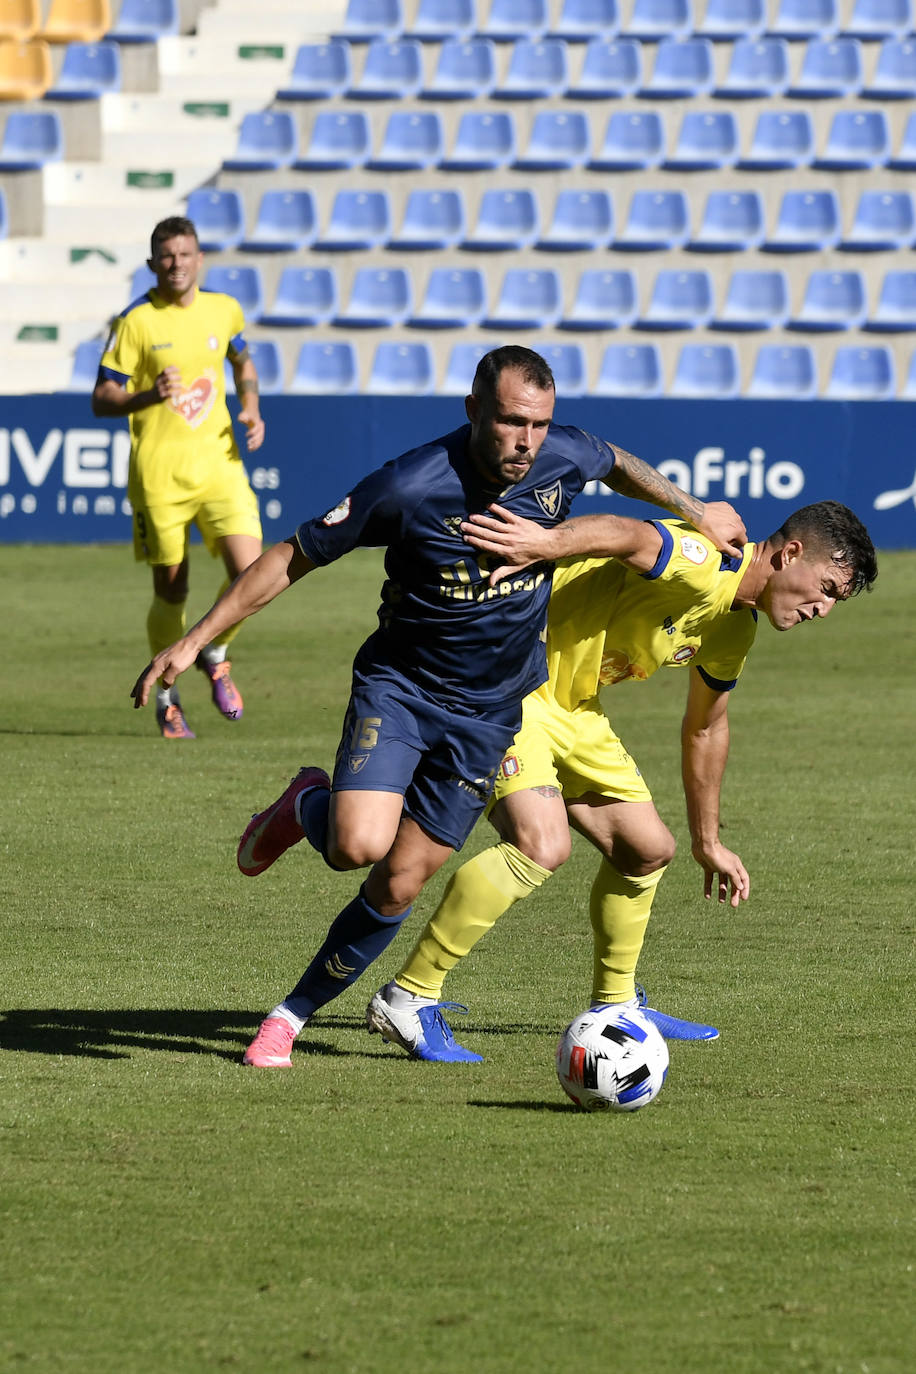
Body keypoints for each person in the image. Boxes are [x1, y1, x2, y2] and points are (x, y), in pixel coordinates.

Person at [129, 345, 747, 1069]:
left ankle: (288, 1017)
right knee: (355, 846)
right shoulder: (411, 484)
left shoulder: (560, 456)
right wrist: (196, 639)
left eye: (540, 424)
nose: (527, 441)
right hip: (403, 689)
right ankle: (307, 805)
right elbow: (293, 557)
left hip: (489, 715)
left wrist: (694, 509)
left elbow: (613, 458)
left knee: (400, 878)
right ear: (474, 411)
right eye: (512, 421)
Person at [366, 499, 878, 1062]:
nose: (824, 609)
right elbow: (625, 534)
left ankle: (616, 1006)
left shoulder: (735, 625)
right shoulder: (704, 559)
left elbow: (706, 728)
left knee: (647, 848)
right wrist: (545, 543)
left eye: (837, 600)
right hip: (509, 685)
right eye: (827, 588)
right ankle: (409, 996)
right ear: (791, 553)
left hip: (575, 708)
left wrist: (708, 841)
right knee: (541, 845)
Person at [93, 215, 266, 740]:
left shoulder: (224, 309)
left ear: (200, 259)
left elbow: (242, 360)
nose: (177, 264)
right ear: (152, 264)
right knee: (173, 590)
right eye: (166, 256)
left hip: (221, 466)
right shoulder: (136, 322)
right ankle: (167, 697)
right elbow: (102, 398)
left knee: (253, 571)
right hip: (159, 478)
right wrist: (148, 395)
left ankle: (214, 648)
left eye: (185, 254)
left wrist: (253, 407)